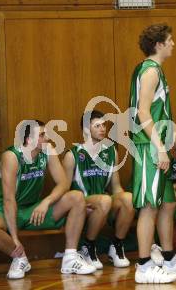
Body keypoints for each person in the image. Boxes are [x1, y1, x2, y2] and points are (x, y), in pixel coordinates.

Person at [129, 23, 176, 284]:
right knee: (149, 206)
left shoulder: (154, 69)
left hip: (156, 142)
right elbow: (142, 112)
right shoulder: (150, 71)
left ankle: (170, 259)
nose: (173, 44)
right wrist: (160, 147)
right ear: (158, 44)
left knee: (168, 203)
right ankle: (145, 265)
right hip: (149, 146)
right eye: (170, 40)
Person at [0, 120, 95, 279]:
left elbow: (63, 184)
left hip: (32, 209)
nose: (47, 137)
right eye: (42, 135)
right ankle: (20, 258)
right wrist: (15, 239)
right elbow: (8, 200)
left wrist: (45, 202)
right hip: (3, 209)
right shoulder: (11, 157)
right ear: (28, 140)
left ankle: (70, 257)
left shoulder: (47, 150)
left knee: (77, 197)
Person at [62, 110, 136, 269]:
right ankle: (88, 246)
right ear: (86, 130)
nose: (103, 129)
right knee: (105, 200)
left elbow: (116, 187)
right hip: (83, 202)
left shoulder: (111, 151)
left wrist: (126, 204)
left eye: (104, 125)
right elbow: (64, 191)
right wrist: (79, 207)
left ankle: (116, 245)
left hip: (105, 202)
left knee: (128, 198)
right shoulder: (72, 155)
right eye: (97, 126)